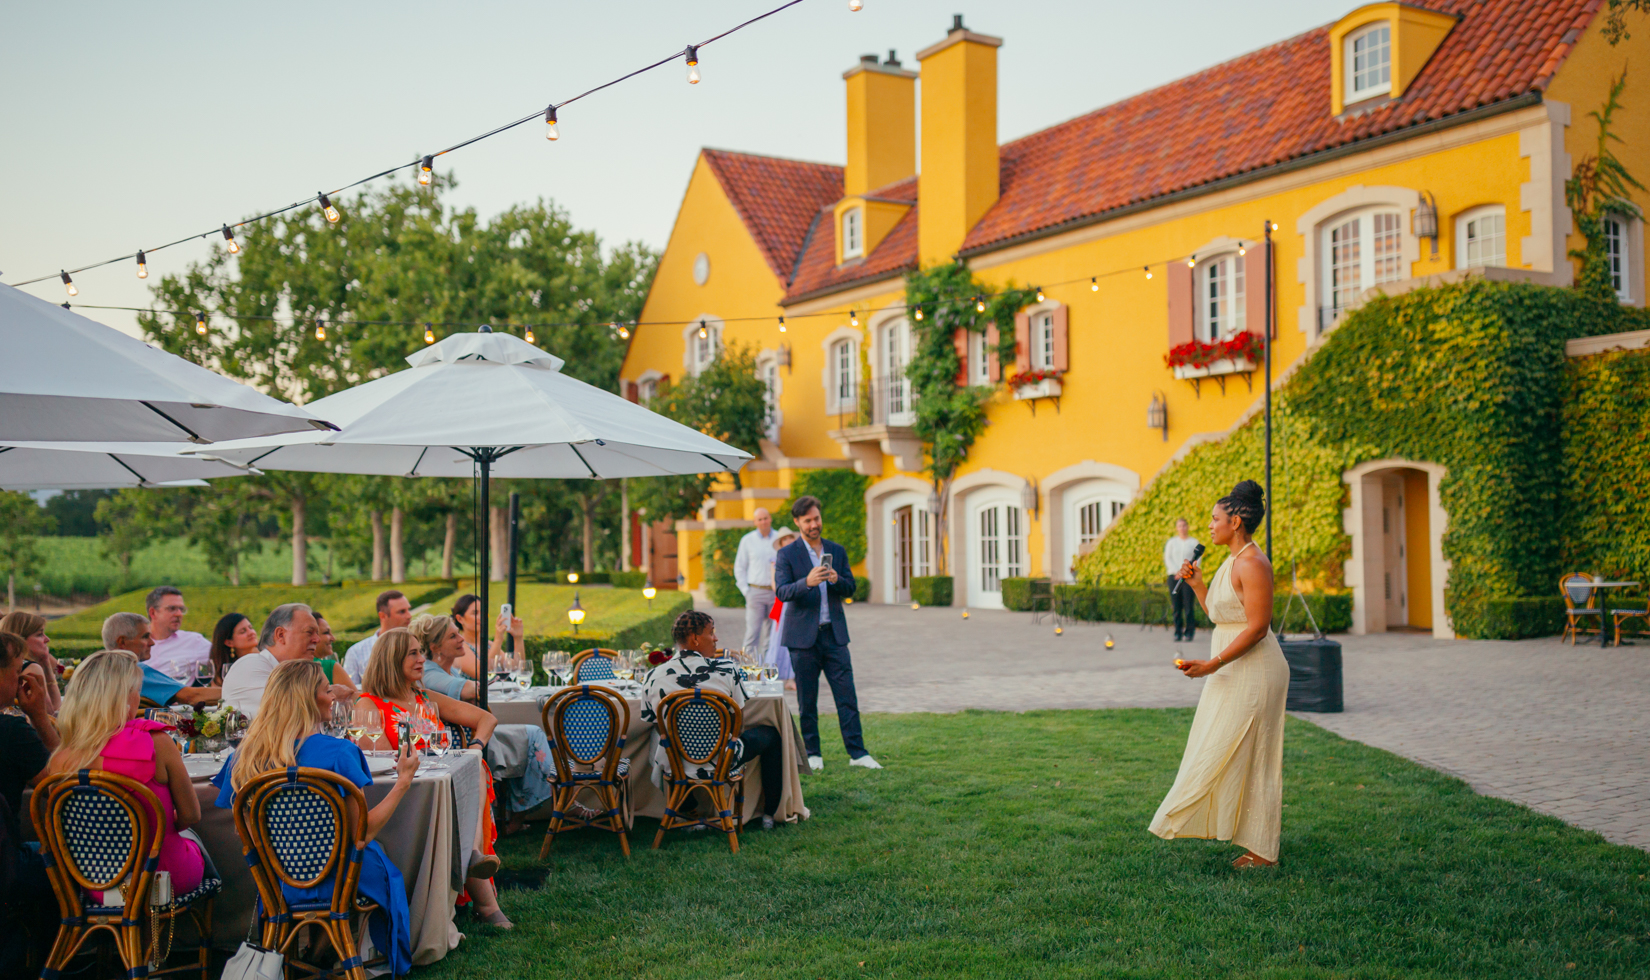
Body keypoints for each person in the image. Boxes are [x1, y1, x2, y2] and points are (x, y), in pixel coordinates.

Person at [212, 660, 418, 974]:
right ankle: (342, 953)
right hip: (338, 878)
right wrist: (403, 783)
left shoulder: (244, 756)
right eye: (326, 689)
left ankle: (317, 954)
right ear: (309, 699)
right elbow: (361, 836)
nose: (333, 695)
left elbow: (246, 834)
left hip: (279, 880)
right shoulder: (338, 753)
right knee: (374, 856)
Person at [1150, 480, 1289, 869]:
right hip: (1231, 668)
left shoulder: (1253, 562)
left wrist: (1213, 664)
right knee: (1217, 746)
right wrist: (1197, 585)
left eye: (1215, 519)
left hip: (1256, 670)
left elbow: (1258, 627)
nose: (1209, 526)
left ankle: (1263, 850)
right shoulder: (1233, 559)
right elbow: (1220, 614)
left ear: (1237, 520)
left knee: (1256, 754)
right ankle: (1222, 825)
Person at [357, 628, 514, 927]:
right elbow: (382, 762)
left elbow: (486, 718)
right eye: (413, 653)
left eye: (421, 652)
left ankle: (473, 861)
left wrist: (476, 747)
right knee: (469, 776)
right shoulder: (369, 705)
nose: (421, 659)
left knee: (475, 767)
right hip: (405, 794)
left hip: (439, 783)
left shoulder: (425, 697)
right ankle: (477, 872)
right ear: (391, 660)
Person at [47, 650, 205, 901]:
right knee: (195, 843)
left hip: (99, 885)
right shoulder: (156, 742)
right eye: (137, 691)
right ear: (123, 696)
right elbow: (191, 815)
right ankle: (207, 937)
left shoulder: (60, 759)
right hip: (160, 880)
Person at [638, 610, 786, 830]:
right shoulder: (727, 669)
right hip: (723, 759)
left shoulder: (653, 675)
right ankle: (769, 815)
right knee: (771, 735)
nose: (716, 638)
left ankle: (689, 811)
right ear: (695, 639)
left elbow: (653, 721)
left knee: (654, 738)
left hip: (676, 762)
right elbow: (739, 719)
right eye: (711, 632)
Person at [774, 495, 880, 772]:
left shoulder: (836, 550)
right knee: (806, 701)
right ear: (797, 522)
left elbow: (850, 587)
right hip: (802, 640)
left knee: (847, 697)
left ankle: (858, 753)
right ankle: (813, 753)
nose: (814, 525)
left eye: (816, 518)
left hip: (834, 636)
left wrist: (836, 580)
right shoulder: (787, 554)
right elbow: (782, 591)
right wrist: (805, 583)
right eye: (808, 520)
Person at [0, 632, 60, 975]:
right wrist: (38, 716)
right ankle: (55, 962)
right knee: (63, 863)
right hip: (6, 863)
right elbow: (64, 790)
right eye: (16, 669)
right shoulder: (11, 731)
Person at [222, 603, 349, 718]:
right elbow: (285, 707)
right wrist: (329, 694)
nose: (317, 639)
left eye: (317, 633)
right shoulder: (250, 665)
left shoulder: (293, 673)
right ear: (281, 635)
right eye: (309, 632)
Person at [104, 612, 222, 707]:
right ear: (122, 642)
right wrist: (237, 690)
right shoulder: (132, 670)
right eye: (145, 637)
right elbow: (193, 696)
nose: (152, 643)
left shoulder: (99, 669)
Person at [732, 507, 781, 655]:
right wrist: (746, 591)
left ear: (770, 518)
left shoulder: (779, 538)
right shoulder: (747, 540)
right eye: (760, 519)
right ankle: (749, 670)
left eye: (765, 518)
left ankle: (768, 669)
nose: (763, 521)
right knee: (752, 633)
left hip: (775, 593)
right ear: (755, 522)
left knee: (772, 634)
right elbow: (739, 567)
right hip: (755, 592)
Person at [143, 586, 212, 683]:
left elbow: (222, 658)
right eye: (172, 609)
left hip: (176, 697)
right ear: (153, 613)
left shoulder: (194, 642)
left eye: (181, 609)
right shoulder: (134, 642)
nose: (179, 614)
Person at [343, 591, 412, 686]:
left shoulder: (417, 645)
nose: (409, 616)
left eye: (408, 610)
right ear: (382, 616)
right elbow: (349, 690)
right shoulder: (356, 652)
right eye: (402, 612)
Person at [0, 611, 63, 715]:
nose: (47, 639)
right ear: (20, 638)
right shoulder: (31, 668)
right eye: (39, 635)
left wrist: (46, 663)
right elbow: (50, 714)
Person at [450, 594, 524, 679]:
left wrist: (518, 638)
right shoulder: (459, 647)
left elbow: (517, 668)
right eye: (475, 613)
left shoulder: (489, 645)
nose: (481, 617)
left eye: (483, 612)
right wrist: (498, 639)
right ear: (460, 619)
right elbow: (481, 674)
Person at [410, 614, 480, 701]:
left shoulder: (450, 670)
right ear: (436, 648)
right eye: (453, 636)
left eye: (458, 633)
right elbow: (469, 690)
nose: (461, 638)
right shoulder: (427, 673)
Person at [763, 530, 799, 691]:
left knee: (797, 639)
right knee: (780, 639)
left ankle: (793, 677)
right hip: (784, 601)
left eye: (790, 537)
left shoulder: (801, 558)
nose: (788, 541)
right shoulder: (776, 561)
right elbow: (774, 584)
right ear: (781, 543)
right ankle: (774, 675)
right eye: (785, 539)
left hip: (798, 599)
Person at [1164, 517, 1203, 642]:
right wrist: (1177, 571)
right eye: (1179, 526)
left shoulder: (1193, 542)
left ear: (1187, 527)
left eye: (1184, 525)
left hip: (1188, 578)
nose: (1182, 528)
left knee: (1188, 605)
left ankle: (1189, 632)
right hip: (1174, 576)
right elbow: (1168, 558)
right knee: (1176, 606)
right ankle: (1177, 632)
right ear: (1177, 528)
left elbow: (1197, 559)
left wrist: (1187, 572)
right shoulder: (1172, 542)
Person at [208, 612, 260, 685]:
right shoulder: (224, 671)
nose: (251, 632)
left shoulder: (267, 657)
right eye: (243, 631)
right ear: (229, 643)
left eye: (250, 628)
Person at [312, 614, 356, 692]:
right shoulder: (330, 667)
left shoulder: (288, 666)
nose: (333, 638)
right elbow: (358, 700)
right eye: (326, 632)